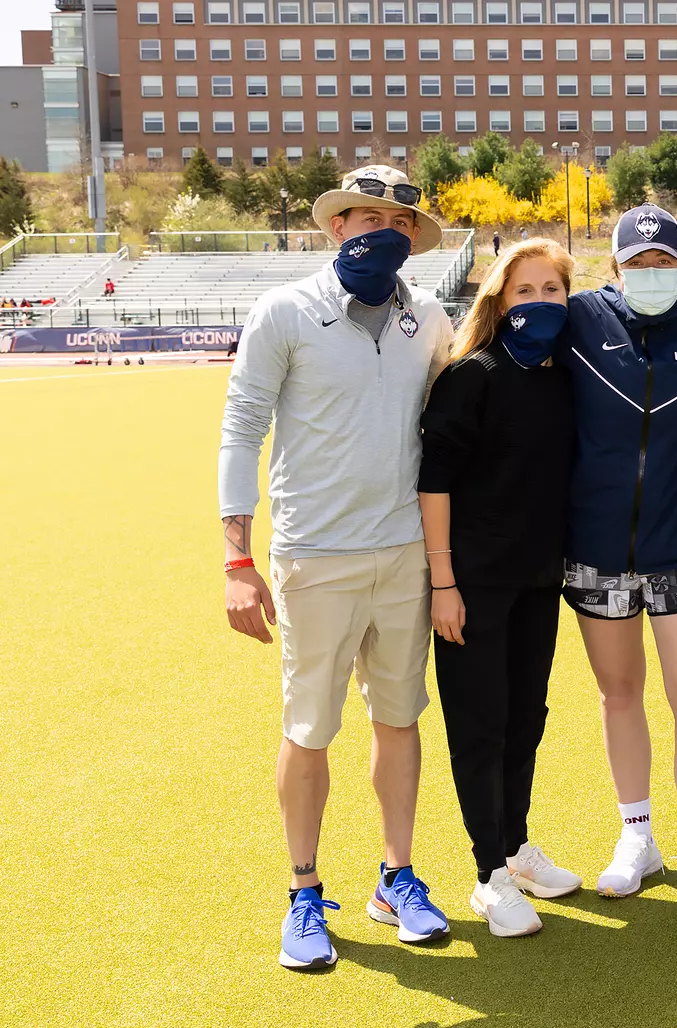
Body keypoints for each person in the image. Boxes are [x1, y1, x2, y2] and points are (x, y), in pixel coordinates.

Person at [219, 164, 456, 970]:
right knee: (309, 728)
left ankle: (396, 878)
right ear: (333, 227)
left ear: (413, 236)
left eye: (393, 219)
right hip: (314, 555)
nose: (375, 230)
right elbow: (242, 427)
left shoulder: (429, 317)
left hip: (403, 556)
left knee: (399, 718)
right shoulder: (284, 309)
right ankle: (304, 890)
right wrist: (236, 557)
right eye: (360, 217)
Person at [554, 203, 677, 911]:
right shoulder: (578, 320)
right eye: (638, 264)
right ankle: (637, 836)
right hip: (595, 549)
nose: (651, 274)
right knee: (619, 694)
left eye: (664, 263)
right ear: (614, 268)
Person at [419, 238, 582, 938]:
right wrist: (443, 584)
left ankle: (515, 849)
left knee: (525, 718)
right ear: (497, 300)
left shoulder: (560, 378)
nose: (540, 303)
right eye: (525, 291)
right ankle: (487, 874)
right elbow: (435, 484)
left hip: (538, 582)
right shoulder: (471, 376)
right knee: (479, 726)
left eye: (553, 290)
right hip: (473, 585)